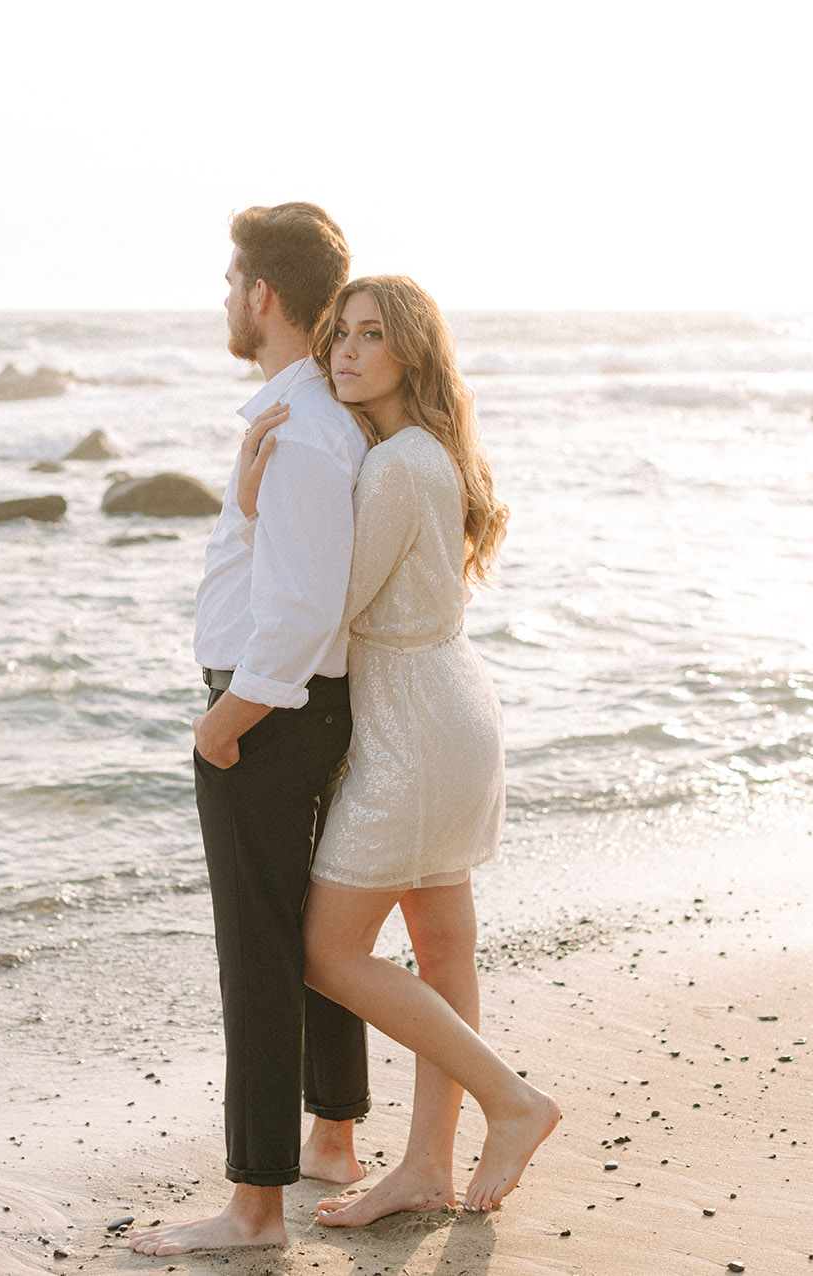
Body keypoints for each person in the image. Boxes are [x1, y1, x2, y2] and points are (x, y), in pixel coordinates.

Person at [235, 276, 561, 1226]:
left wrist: (258, 509)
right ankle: (426, 1165)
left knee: (328, 954)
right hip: (452, 710)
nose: (344, 351)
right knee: (442, 947)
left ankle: (513, 1101)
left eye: (371, 336)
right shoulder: (428, 453)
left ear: (410, 353)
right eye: (339, 333)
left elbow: (326, 602)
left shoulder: (393, 468)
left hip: (413, 731)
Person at [128, 204, 371, 1258]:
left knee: (258, 954)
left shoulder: (306, 427)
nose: (225, 299)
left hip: (267, 715)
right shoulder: (303, 419)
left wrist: (224, 723)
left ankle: (257, 1208)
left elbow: (304, 609)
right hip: (283, 709)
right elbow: (290, 566)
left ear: (261, 295)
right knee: (308, 940)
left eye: (231, 282)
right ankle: (331, 1139)